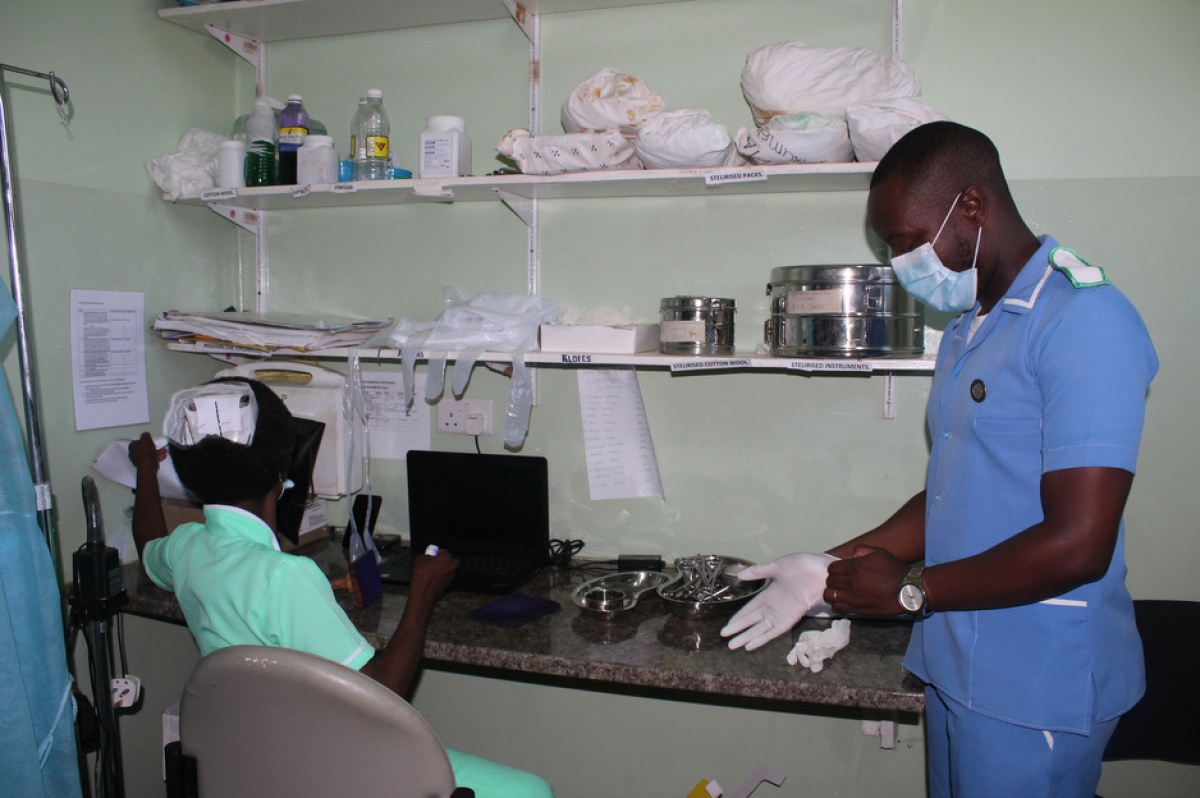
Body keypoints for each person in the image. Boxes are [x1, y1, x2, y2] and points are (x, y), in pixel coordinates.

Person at [722, 121, 1158, 797]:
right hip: (957, 660)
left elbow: (1080, 544)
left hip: (1038, 679)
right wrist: (829, 565)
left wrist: (907, 592)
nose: (900, 262)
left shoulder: (1083, 321)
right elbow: (955, 491)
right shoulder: (969, 328)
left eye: (904, 240)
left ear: (973, 207)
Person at [129, 376, 554, 798]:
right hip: (333, 770)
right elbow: (383, 692)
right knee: (531, 790)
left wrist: (146, 469)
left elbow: (149, 543)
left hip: (261, 767)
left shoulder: (186, 550)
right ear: (282, 473)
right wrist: (423, 590)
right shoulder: (284, 577)